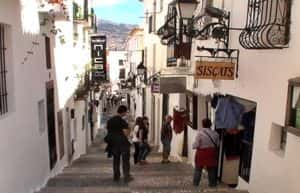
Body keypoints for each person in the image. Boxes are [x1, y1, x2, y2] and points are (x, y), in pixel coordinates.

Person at [105, 105, 133, 183]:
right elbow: (128, 129)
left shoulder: (110, 121)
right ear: (123, 112)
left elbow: (108, 130)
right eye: (125, 112)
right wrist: (127, 135)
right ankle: (126, 176)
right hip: (122, 143)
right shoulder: (121, 120)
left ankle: (116, 175)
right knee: (125, 160)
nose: (125, 114)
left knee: (116, 159)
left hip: (113, 143)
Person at [193, 118, 219, 187]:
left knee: (198, 169)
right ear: (210, 125)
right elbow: (218, 144)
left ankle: (196, 184)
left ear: (202, 124)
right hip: (211, 153)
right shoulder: (216, 133)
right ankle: (212, 184)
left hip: (202, 153)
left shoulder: (200, 133)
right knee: (211, 169)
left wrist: (193, 146)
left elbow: (196, 145)